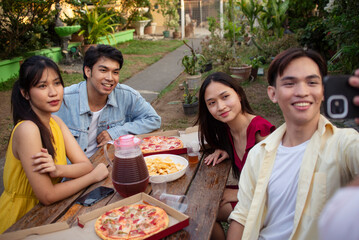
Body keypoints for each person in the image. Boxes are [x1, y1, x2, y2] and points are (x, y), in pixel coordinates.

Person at [227, 48, 359, 240]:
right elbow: (242, 216)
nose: (302, 92)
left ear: (323, 91)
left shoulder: (345, 143)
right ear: (273, 94)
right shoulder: (258, 155)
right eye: (290, 83)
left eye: (312, 82)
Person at [0, 56, 109, 233]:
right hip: (21, 220)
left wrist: (58, 170)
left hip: (48, 216)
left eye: (57, 83)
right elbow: (47, 195)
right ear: (25, 93)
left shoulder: (55, 122)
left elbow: (85, 165)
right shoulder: (28, 129)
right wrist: (94, 177)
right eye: (42, 86)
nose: (53, 92)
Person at [195, 72, 275, 240]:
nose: (220, 106)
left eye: (225, 97)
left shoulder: (262, 133)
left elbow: (279, 188)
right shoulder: (228, 129)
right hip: (249, 197)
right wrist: (225, 149)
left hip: (267, 206)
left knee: (204, 213)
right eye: (212, 103)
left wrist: (238, 194)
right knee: (200, 209)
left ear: (238, 94)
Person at [54, 44, 161, 158]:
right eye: (103, 70)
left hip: (109, 164)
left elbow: (153, 119)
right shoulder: (62, 100)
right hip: (73, 173)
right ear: (88, 71)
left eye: (115, 72)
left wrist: (116, 132)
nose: (110, 78)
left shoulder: (126, 95)